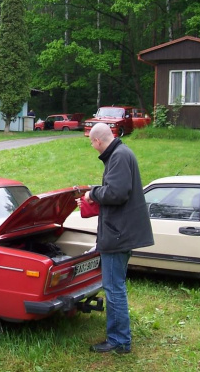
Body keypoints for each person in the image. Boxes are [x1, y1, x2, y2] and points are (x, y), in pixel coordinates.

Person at [76, 122, 154, 355]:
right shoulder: (122, 153)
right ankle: (120, 337)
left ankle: (119, 341)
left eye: (91, 142)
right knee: (116, 286)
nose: (92, 146)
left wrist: (93, 194)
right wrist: (94, 188)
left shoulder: (118, 157)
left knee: (113, 288)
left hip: (118, 234)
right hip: (122, 231)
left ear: (98, 140)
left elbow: (117, 193)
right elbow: (115, 187)